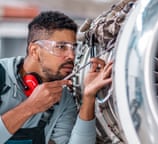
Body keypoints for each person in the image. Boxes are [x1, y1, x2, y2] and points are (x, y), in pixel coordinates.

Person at [0, 11, 113, 144]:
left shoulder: (62, 98)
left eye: (73, 48)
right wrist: (30, 107)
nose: (71, 55)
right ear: (35, 51)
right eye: (61, 47)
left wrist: (88, 97)